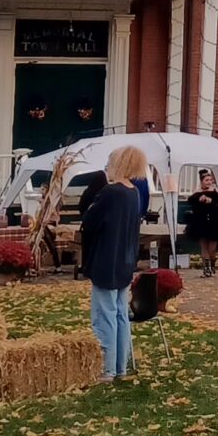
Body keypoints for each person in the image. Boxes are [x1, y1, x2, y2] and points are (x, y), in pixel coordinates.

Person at [82, 146, 146, 381]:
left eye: (109, 162)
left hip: (106, 260)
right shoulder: (133, 192)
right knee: (120, 314)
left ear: (118, 164)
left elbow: (90, 221)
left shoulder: (111, 192)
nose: (107, 167)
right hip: (125, 260)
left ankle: (107, 369)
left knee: (104, 316)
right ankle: (120, 367)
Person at [184, 170, 218, 275]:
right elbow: (191, 202)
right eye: (206, 180)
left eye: (210, 180)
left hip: (213, 223)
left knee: (212, 248)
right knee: (204, 247)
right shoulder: (197, 194)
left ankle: (212, 263)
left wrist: (211, 201)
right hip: (201, 223)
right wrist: (199, 199)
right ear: (202, 181)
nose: (209, 182)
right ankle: (206, 268)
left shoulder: (216, 193)